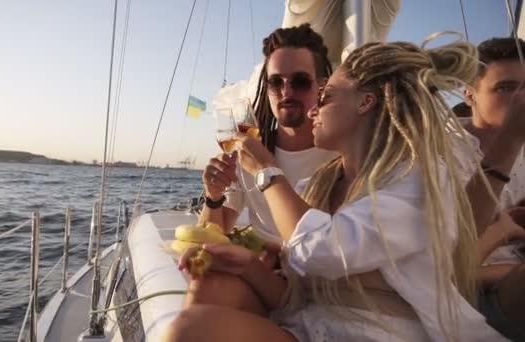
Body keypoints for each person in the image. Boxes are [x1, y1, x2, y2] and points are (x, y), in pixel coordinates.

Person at [165, 38, 507, 341]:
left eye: (324, 95)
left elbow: (320, 249)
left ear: (365, 102)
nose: (313, 107)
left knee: (192, 330)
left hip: (380, 331)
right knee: (208, 294)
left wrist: (267, 172)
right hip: (311, 322)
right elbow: (299, 287)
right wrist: (249, 264)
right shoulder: (321, 183)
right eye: (275, 83)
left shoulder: (415, 182)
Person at [189, 24, 336, 311]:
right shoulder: (251, 150)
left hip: (317, 286)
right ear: (265, 88)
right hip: (261, 277)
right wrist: (214, 195)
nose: (286, 92)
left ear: (322, 86)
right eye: (276, 82)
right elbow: (213, 232)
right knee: (200, 293)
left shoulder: (340, 154)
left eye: (300, 82)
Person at [458, 37, 525, 340]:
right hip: (464, 298)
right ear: (469, 94)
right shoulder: (436, 150)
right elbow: (444, 262)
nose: (521, 99)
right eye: (506, 88)